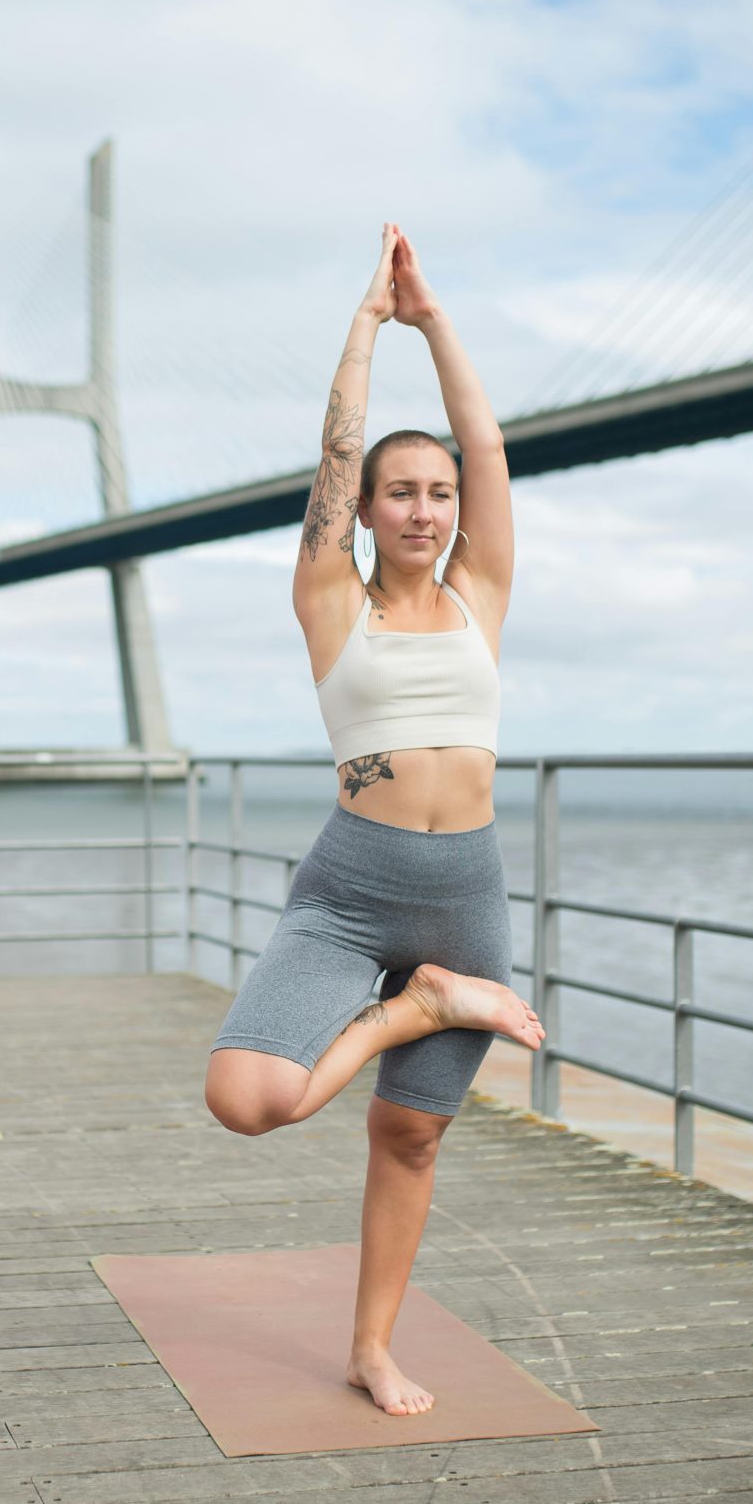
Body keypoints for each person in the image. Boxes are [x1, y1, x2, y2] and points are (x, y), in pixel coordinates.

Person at [202, 225, 542, 1417]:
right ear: (366, 506)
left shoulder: (479, 593)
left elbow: (490, 445)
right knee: (248, 1098)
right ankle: (416, 1004)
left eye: (438, 493)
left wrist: (432, 319)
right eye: (401, 491)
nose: (424, 508)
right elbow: (335, 454)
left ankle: (371, 1344)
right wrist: (362, 328)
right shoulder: (328, 595)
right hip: (350, 889)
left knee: (410, 1137)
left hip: (467, 889)